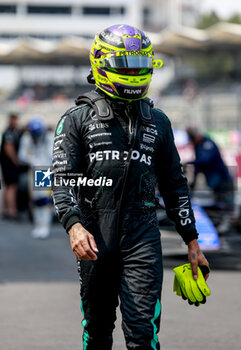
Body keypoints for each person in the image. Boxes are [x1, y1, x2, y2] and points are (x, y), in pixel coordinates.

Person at [52, 25, 209, 350]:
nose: (133, 71)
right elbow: (61, 178)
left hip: (142, 239)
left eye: (139, 64)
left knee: (142, 334)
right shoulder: (76, 119)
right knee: (96, 333)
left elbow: (175, 185)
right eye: (125, 64)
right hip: (95, 239)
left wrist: (192, 240)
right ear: (102, 63)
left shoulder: (159, 122)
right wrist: (74, 226)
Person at [186, 126, 234, 233]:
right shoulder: (198, 146)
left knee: (225, 203)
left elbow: (205, 160)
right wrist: (192, 184)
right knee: (217, 202)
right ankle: (220, 224)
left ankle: (227, 225)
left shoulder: (208, 143)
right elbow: (198, 167)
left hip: (222, 180)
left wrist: (189, 162)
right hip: (214, 182)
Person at [18, 117, 53, 238]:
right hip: (32, 171)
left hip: (45, 171)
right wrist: (32, 160)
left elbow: (52, 154)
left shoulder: (48, 137)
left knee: (45, 200)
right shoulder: (27, 138)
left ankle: (45, 226)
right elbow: (22, 155)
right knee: (35, 201)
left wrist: (45, 164)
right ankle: (38, 225)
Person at [0, 113, 21, 219]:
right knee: (12, 187)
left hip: (6, 163)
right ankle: (12, 211)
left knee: (8, 186)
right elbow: (9, 148)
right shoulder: (9, 132)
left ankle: (5, 209)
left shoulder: (11, 131)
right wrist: (16, 161)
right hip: (9, 164)